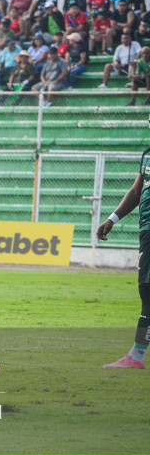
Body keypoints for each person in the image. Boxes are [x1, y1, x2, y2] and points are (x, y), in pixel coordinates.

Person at [98, 119, 150, 369]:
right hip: (146, 230)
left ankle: (137, 355)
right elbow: (136, 192)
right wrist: (112, 219)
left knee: (147, 292)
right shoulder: (147, 154)